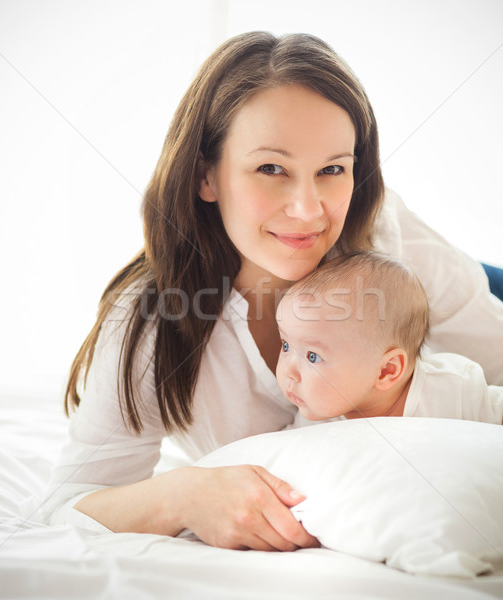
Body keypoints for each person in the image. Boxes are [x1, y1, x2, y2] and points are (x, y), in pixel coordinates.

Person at [43, 31, 503, 552]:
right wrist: (182, 495)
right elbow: (64, 505)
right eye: (271, 168)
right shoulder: (151, 322)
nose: (309, 209)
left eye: (332, 169)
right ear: (206, 177)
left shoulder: (384, 235)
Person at [276, 251, 503, 424]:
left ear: (387, 371)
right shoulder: (316, 412)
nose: (289, 371)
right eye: (286, 345)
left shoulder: (451, 389)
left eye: (313, 357)